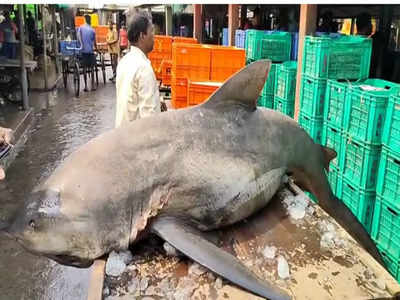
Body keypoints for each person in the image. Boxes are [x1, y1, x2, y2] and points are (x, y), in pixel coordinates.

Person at [115, 10, 161, 128]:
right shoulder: (143, 68)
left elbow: (131, 100)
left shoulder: (124, 61)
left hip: (121, 135)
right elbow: (149, 119)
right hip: (138, 140)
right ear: (142, 36)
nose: (153, 36)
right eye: (151, 32)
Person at [356, 12, 385, 78]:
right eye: (371, 23)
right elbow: (377, 66)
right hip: (368, 80)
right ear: (367, 25)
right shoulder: (371, 44)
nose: (372, 25)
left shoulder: (351, 42)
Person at [77, 14, 97, 92]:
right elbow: (94, 42)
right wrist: (97, 49)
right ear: (90, 20)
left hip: (83, 51)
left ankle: (86, 86)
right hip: (90, 52)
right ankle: (92, 86)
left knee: (84, 69)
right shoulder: (92, 29)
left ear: (85, 19)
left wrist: (81, 45)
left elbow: (78, 37)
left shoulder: (80, 28)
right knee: (92, 69)